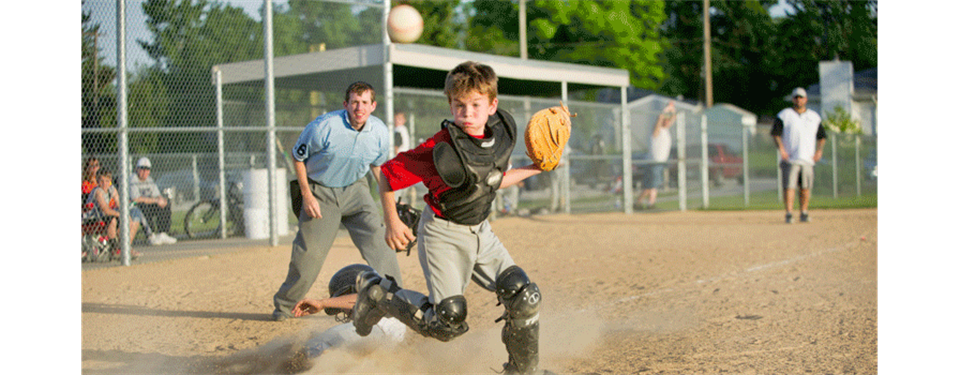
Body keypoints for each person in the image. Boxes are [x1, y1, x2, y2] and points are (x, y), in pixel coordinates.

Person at [354, 61, 547, 375]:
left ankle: (525, 371)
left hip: (480, 230)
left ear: (492, 105)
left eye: (475, 104)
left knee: (524, 294)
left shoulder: (500, 134)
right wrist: (392, 220)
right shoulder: (441, 149)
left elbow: (492, 179)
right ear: (450, 105)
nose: (467, 113)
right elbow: (388, 175)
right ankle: (377, 293)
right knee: (447, 321)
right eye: (459, 105)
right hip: (442, 234)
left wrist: (537, 168)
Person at [272, 81, 403, 322]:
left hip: (356, 189)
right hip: (321, 191)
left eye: (365, 102)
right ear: (346, 104)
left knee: (380, 242)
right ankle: (284, 307)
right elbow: (297, 156)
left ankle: (396, 300)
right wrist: (307, 195)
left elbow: (379, 168)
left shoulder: (380, 132)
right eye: (354, 102)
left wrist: (390, 209)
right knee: (309, 255)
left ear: (373, 106)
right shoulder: (324, 127)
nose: (359, 108)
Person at [290, 264, 408, 361]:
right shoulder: (389, 301)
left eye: (341, 299)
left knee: (313, 347)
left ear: (353, 289)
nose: (342, 310)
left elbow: (364, 299)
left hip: (379, 327)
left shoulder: (376, 296)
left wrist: (323, 303)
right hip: (383, 337)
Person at [771, 87, 826, 223]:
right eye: (796, 97)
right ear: (793, 99)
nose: (798, 99)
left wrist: (819, 150)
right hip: (790, 158)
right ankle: (789, 213)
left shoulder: (814, 117)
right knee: (789, 187)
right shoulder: (785, 115)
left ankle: (804, 212)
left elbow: (822, 136)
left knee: (805, 188)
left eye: (801, 97)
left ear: (805, 99)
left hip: (807, 158)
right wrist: (782, 149)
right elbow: (776, 133)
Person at [84, 169, 143, 258]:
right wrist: (121, 215)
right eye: (102, 181)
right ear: (97, 181)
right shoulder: (98, 192)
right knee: (113, 221)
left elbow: (120, 205)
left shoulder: (111, 189)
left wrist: (125, 215)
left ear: (110, 181)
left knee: (125, 220)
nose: (104, 184)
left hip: (103, 217)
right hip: (91, 219)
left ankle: (124, 248)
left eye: (107, 181)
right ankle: (115, 249)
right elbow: (106, 210)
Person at [636, 101, 677, 210]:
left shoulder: (665, 130)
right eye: (665, 120)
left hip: (659, 162)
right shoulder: (657, 131)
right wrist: (666, 110)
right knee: (652, 185)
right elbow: (660, 118)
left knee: (652, 185)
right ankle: (645, 203)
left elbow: (673, 118)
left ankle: (646, 203)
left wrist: (672, 110)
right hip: (654, 162)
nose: (667, 122)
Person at [129, 157, 177, 244]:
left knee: (165, 204)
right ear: (137, 169)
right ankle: (151, 236)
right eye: (142, 169)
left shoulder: (149, 180)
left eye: (147, 169)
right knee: (143, 206)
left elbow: (157, 195)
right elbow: (136, 199)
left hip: (148, 203)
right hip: (135, 206)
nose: (145, 172)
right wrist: (155, 200)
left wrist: (162, 200)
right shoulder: (133, 179)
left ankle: (163, 233)